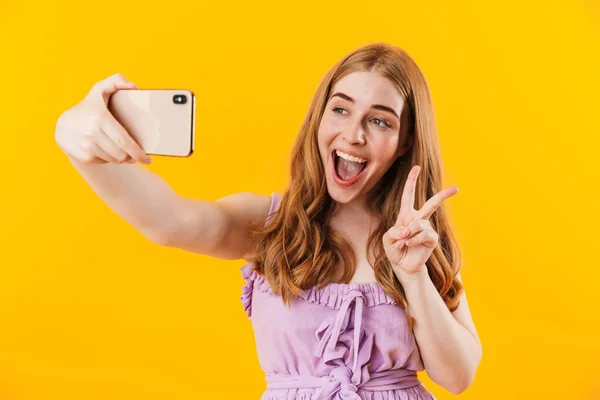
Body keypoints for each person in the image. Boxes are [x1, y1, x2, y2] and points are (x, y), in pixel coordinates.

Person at [55, 42, 482, 399]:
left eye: (379, 120)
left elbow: (457, 377)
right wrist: (74, 139)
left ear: (406, 140)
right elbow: (169, 222)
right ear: (319, 117)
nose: (354, 134)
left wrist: (414, 276)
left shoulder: (422, 241)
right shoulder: (271, 225)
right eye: (341, 110)